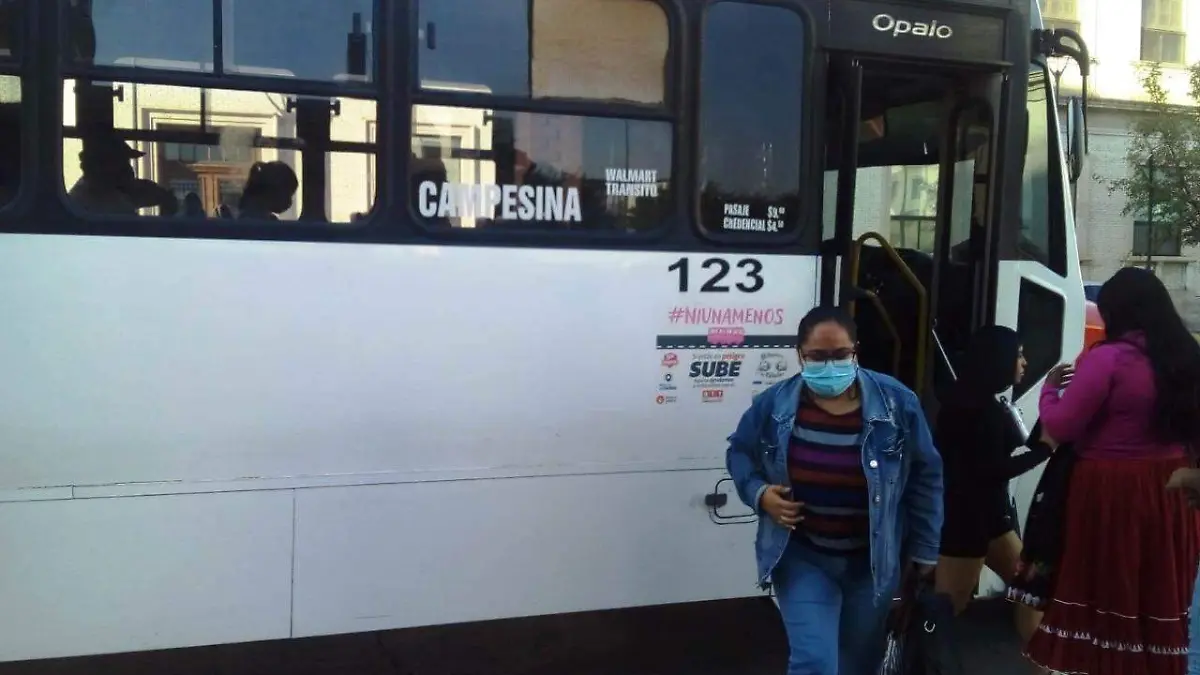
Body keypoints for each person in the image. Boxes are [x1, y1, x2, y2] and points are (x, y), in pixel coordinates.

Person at [726, 305, 944, 675]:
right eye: (817, 356)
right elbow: (740, 451)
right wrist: (760, 494)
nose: (830, 366)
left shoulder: (897, 403)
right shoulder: (775, 403)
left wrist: (925, 549)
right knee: (815, 662)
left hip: (872, 563)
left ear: (856, 351)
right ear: (800, 355)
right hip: (802, 555)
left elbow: (927, 477)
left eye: (840, 354)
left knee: (858, 663)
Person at [1024, 267, 1200, 675]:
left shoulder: (1109, 358)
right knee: (1159, 586)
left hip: (1112, 487)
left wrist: (1050, 391)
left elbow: (1063, 425)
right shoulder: (1186, 357)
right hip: (1174, 489)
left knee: (1110, 585)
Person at [934, 327, 1054, 618]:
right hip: (966, 526)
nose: (1024, 362)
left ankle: (1038, 647)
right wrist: (1044, 451)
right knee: (946, 611)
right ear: (998, 358)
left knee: (1030, 592)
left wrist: (1050, 393)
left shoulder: (982, 403)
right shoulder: (972, 410)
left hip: (990, 523)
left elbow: (1022, 443)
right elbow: (993, 470)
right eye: (1018, 355)